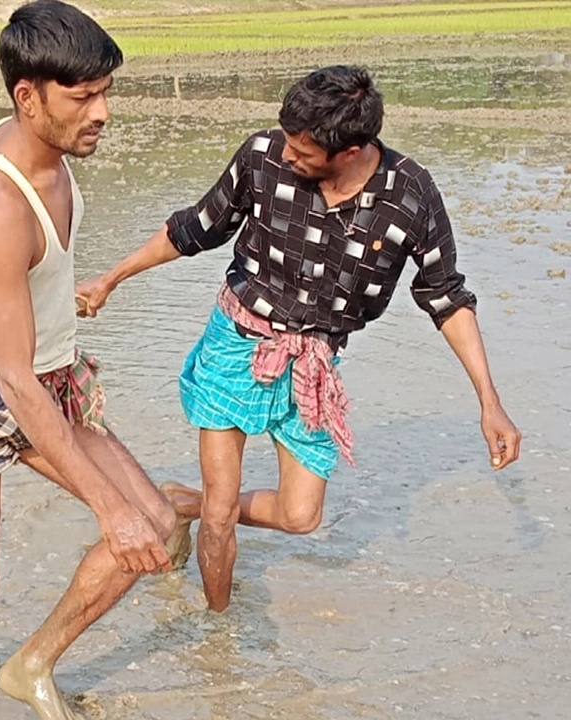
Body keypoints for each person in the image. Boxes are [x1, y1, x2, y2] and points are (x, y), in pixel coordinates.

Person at [76, 65, 523, 613]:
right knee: (221, 517)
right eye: (287, 140)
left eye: (303, 150)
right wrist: (111, 278)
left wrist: (489, 402)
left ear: (351, 150)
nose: (287, 154)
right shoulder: (262, 156)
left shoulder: (410, 195)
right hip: (238, 344)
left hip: (313, 366)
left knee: (300, 516)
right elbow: (196, 228)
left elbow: (446, 297)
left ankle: (179, 502)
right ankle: (218, 631)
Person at [0, 2, 180, 718]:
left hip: (48, 382)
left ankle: (31, 664)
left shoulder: (32, 149)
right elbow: (11, 378)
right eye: (83, 97)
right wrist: (108, 510)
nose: (102, 113)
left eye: (106, 92)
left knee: (156, 525)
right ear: (29, 97)